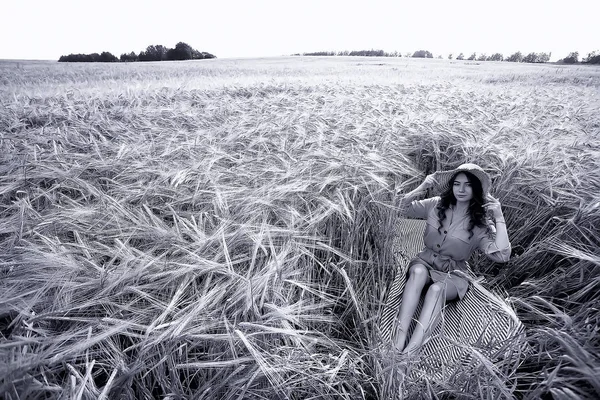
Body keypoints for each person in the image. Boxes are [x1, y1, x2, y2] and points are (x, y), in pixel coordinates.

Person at [393, 163, 511, 354]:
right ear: (452, 186)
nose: (461, 189)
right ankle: (398, 340)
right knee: (417, 272)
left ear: (476, 189)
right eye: (457, 184)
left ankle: (411, 352)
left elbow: (502, 255)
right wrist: (421, 187)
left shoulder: (481, 224)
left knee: (436, 290)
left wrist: (499, 217)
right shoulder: (436, 204)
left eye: (468, 185)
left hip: (453, 275)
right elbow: (398, 207)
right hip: (424, 261)